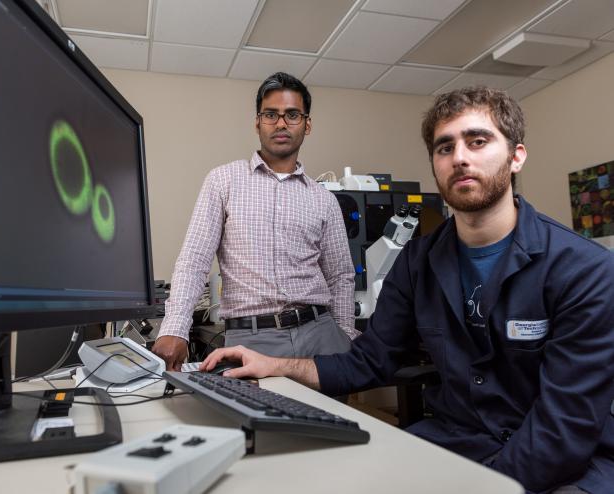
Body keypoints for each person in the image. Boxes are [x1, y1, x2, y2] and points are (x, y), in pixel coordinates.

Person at [201, 86, 614, 494]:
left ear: (516, 156)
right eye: (445, 147)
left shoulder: (583, 270)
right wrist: (276, 365)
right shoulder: (418, 262)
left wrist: (482, 486)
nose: (461, 158)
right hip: (459, 442)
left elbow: (564, 430)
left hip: (565, 462)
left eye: (478, 141)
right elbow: (369, 362)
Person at [152, 72, 358, 371]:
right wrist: (175, 327)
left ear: (307, 124)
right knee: (259, 417)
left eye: (292, 115)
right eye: (271, 114)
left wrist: (345, 336)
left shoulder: (323, 198)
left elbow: (340, 275)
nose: (281, 123)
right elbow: (194, 260)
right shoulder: (224, 181)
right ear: (257, 122)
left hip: (320, 335)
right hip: (251, 338)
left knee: (331, 418)